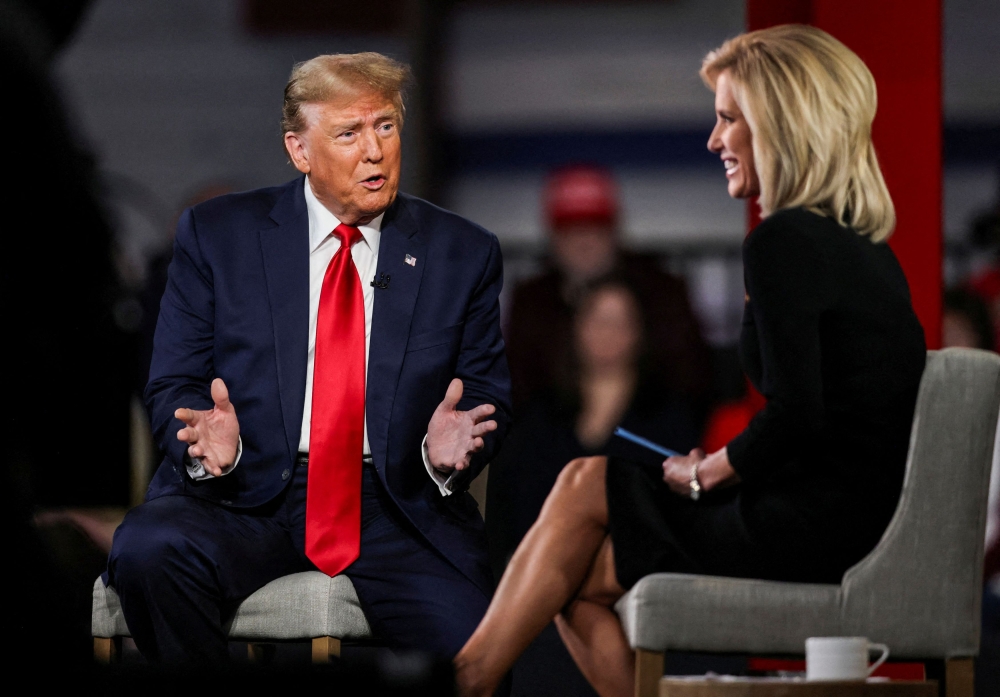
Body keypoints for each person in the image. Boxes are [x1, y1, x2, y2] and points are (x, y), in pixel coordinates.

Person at [454, 25, 926, 697]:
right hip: (845, 514)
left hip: (813, 525)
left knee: (589, 479)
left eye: (728, 119)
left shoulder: (784, 241)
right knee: (577, 581)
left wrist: (708, 472)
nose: (713, 141)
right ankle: (474, 672)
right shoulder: (865, 249)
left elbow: (796, 414)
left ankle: (469, 674)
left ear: (779, 125)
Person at [104, 53, 512, 663]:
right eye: (349, 133)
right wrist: (204, 442)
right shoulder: (218, 236)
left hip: (394, 504)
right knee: (149, 551)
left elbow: (485, 393)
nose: (374, 151)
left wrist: (450, 454)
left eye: (385, 126)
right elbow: (174, 383)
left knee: (478, 643)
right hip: (244, 493)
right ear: (299, 150)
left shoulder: (463, 253)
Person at [487, 277, 699, 696]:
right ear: (577, 329)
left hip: (628, 573)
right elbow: (506, 513)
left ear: (639, 335)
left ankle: (475, 674)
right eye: (597, 320)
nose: (608, 334)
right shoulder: (538, 417)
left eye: (620, 322)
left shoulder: (669, 416)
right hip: (537, 575)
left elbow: (675, 513)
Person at [505, 165, 711, 417]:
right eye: (570, 229)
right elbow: (516, 387)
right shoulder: (532, 299)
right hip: (550, 438)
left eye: (595, 226)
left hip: (649, 431)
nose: (584, 241)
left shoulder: (663, 292)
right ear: (552, 235)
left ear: (615, 229)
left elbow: (692, 380)